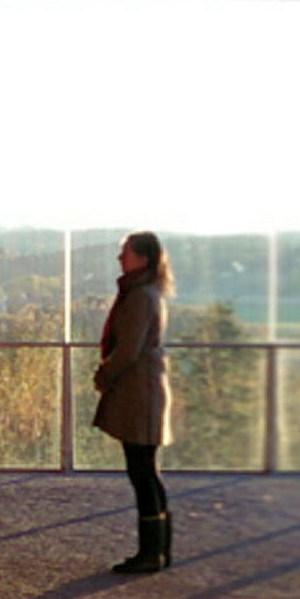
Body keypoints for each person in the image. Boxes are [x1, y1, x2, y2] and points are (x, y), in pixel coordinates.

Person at [92, 230, 173, 573]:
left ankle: (151, 553)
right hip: (142, 391)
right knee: (146, 471)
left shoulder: (140, 296)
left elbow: (128, 348)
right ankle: (158, 549)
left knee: (141, 472)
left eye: (125, 252)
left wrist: (104, 374)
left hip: (139, 393)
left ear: (142, 257)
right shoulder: (146, 292)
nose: (120, 258)